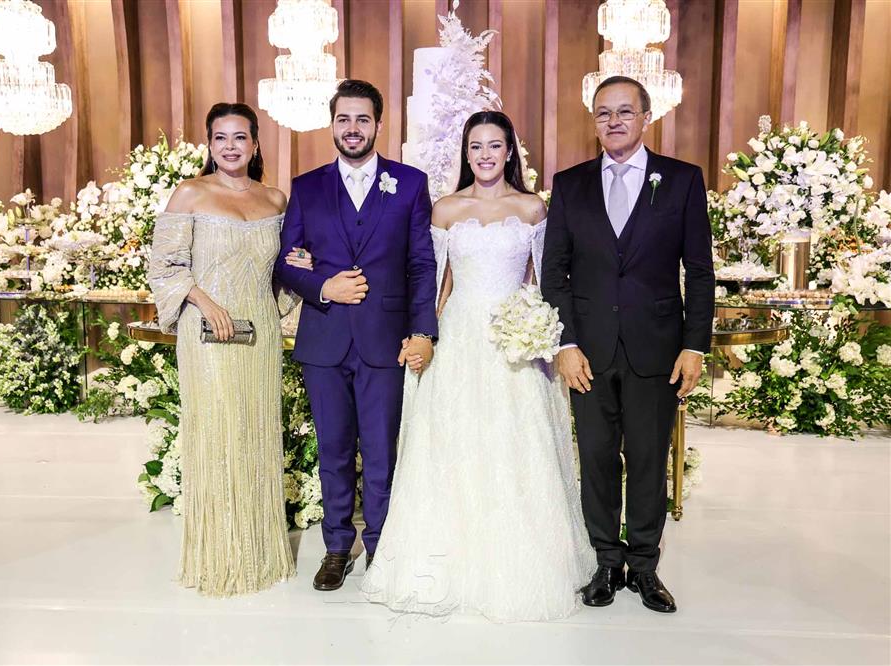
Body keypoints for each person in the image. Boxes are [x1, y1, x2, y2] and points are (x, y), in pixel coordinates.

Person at [360, 111, 594, 622]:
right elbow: (435, 282)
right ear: (465, 154)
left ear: (509, 152)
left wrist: (541, 331)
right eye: (476, 147)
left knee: (515, 443)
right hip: (461, 336)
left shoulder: (532, 208)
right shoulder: (446, 209)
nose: (485, 155)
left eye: (494, 146)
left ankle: (520, 562)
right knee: (454, 440)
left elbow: (543, 280)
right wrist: (424, 335)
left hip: (515, 339)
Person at [540, 76, 715, 613]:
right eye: (603, 113)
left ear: (646, 117)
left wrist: (694, 346)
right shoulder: (570, 185)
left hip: (656, 348)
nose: (613, 121)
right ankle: (605, 563)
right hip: (587, 352)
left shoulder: (682, 180)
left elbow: (700, 272)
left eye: (624, 111)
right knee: (596, 458)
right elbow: (554, 273)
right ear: (593, 121)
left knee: (646, 460)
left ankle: (643, 566)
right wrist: (566, 342)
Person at [274, 80, 439, 592]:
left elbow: (422, 264)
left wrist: (423, 330)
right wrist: (324, 286)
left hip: (385, 340)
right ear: (332, 124)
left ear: (378, 125)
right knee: (335, 450)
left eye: (362, 119)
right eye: (343, 119)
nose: (352, 128)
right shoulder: (307, 187)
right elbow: (286, 262)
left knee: (382, 450)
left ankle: (383, 545)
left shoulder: (409, 183)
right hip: (324, 341)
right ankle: (337, 547)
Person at [148, 102, 311, 596]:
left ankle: (259, 554)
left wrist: (301, 264)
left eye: (240, 137)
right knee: (218, 430)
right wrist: (204, 301)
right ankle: (218, 557)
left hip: (260, 332)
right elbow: (165, 266)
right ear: (209, 144)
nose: (230, 146)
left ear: (256, 144)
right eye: (220, 137)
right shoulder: (190, 193)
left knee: (256, 430)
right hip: (206, 331)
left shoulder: (275, 199)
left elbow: (282, 273)